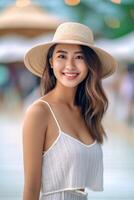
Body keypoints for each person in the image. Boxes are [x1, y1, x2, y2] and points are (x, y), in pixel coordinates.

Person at [22, 22, 118, 200]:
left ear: (90, 64)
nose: (70, 65)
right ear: (51, 62)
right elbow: (31, 188)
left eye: (79, 57)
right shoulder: (39, 112)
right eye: (62, 56)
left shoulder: (86, 112)